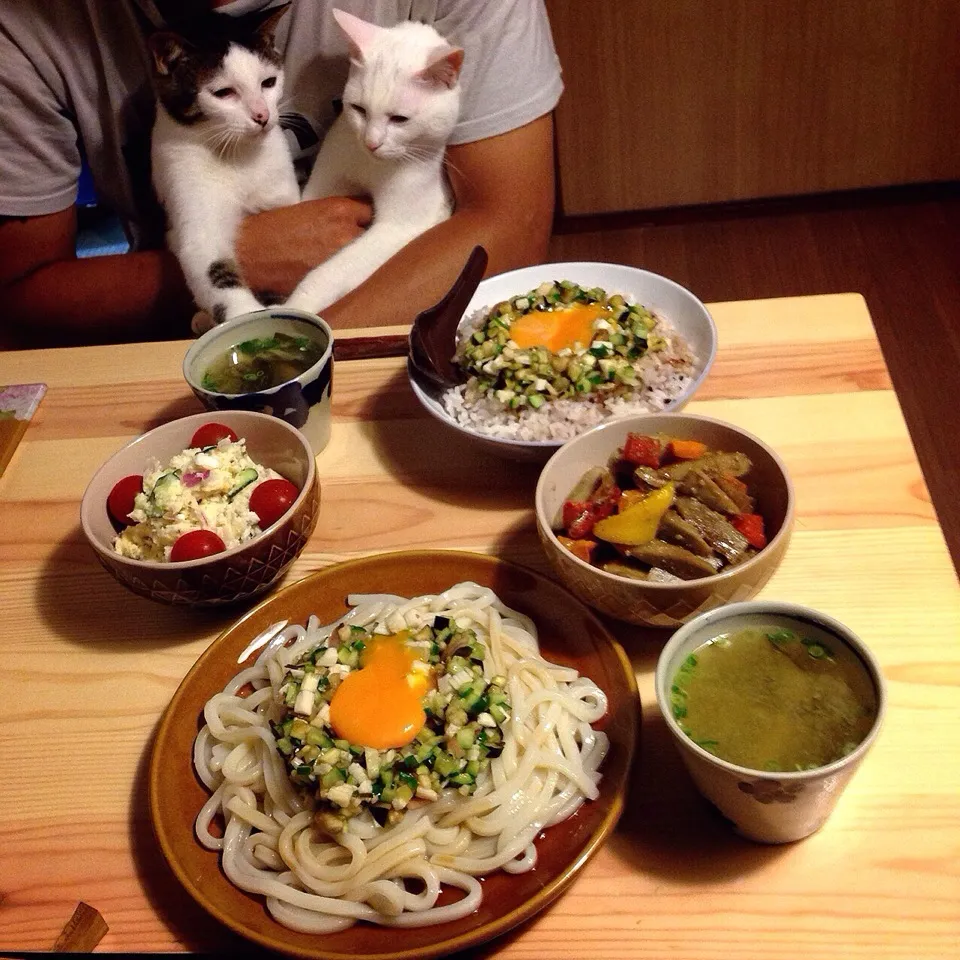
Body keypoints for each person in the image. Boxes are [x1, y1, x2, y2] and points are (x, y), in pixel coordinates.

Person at [0, 0, 562, 348]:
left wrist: (290, 348)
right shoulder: (27, 28)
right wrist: (249, 254)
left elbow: (511, 222)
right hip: (185, 343)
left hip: (401, 325)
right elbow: (19, 294)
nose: (264, 114)